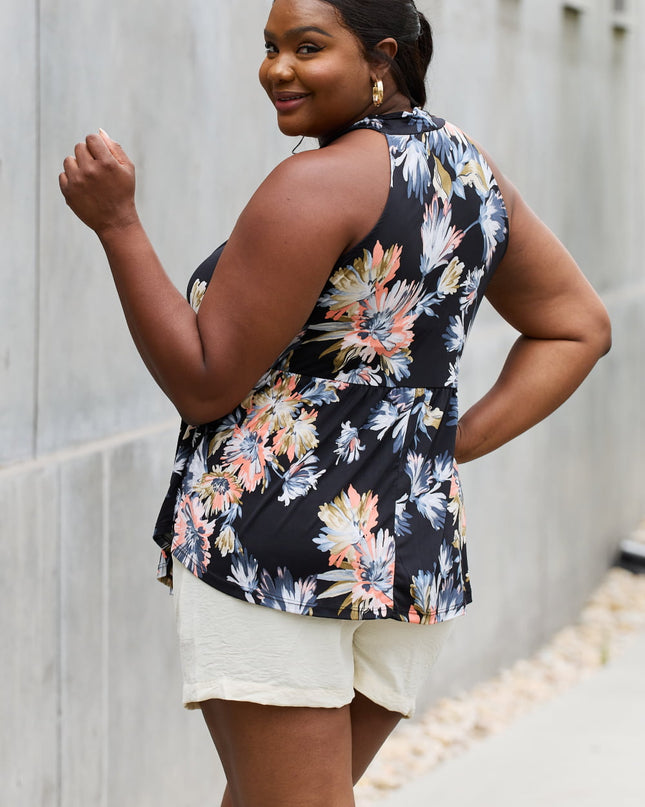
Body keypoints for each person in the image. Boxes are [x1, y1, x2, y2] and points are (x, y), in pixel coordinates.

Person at [59, 0, 611, 804]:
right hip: (406, 550)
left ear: (380, 56)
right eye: (269, 47)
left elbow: (205, 379)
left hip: (278, 550)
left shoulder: (313, 184)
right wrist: (438, 449)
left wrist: (117, 224)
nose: (276, 69)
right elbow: (576, 328)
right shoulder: (466, 169)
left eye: (307, 47)